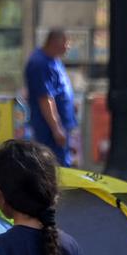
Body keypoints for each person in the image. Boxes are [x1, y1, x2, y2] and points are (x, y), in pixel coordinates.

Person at [24, 30, 78, 166]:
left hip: (60, 124)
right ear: (55, 42)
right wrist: (56, 129)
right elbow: (44, 98)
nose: (68, 46)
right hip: (48, 128)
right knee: (53, 164)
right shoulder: (40, 63)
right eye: (66, 42)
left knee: (61, 162)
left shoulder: (54, 60)